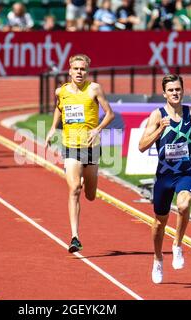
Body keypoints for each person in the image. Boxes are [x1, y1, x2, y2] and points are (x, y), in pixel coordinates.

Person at [138, 74, 191, 284]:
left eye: (178, 89)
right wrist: (160, 129)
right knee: (160, 223)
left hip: (185, 172)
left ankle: (177, 244)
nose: (175, 93)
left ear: (182, 91)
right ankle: (158, 258)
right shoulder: (157, 115)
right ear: (164, 94)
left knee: (184, 205)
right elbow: (141, 146)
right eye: (171, 90)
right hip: (164, 177)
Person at [45, 54, 115, 253]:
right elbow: (59, 108)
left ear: (87, 71)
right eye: (76, 69)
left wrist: (97, 129)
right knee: (74, 188)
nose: (79, 72)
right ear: (69, 71)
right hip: (70, 146)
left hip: (90, 146)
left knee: (91, 195)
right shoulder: (62, 91)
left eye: (83, 69)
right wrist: (52, 128)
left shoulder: (94, 89)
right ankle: (74, 237)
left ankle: (87, 178)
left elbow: (110, 114)